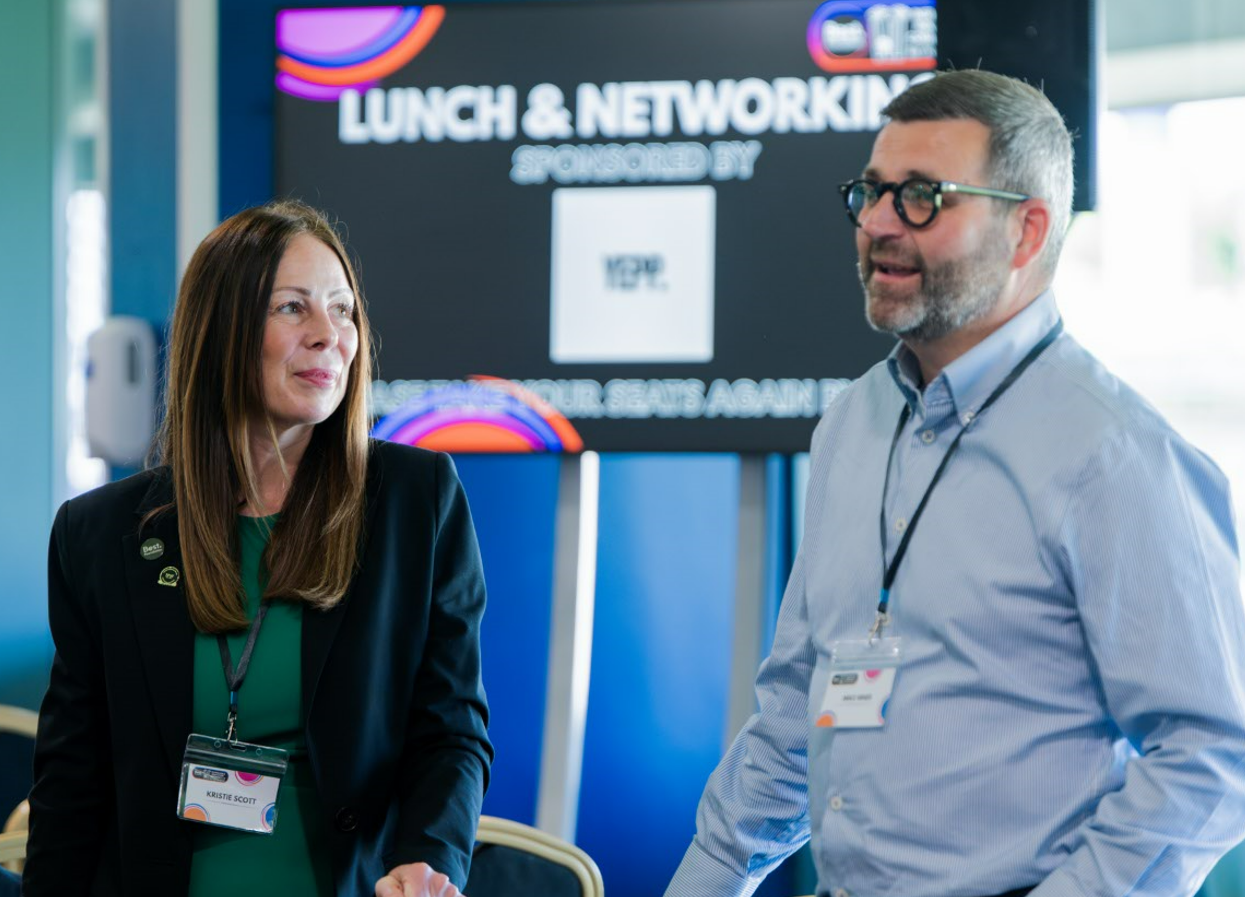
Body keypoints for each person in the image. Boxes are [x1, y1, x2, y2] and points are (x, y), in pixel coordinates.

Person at [665, 69, 1245, 897]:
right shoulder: (850, 425)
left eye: (921, 197)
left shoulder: (1117, 457)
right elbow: (796, 706)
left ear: (1025, 230)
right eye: (870, 192)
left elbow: (1212, 754)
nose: (876, 224)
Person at [24, 201, 492, 897]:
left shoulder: (414, 500)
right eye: (293, 308)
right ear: (223, 330)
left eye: (342, 310)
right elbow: (72, 777)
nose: (328, 334)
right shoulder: (100, 534)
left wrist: (428, 857)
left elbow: (451, 729)